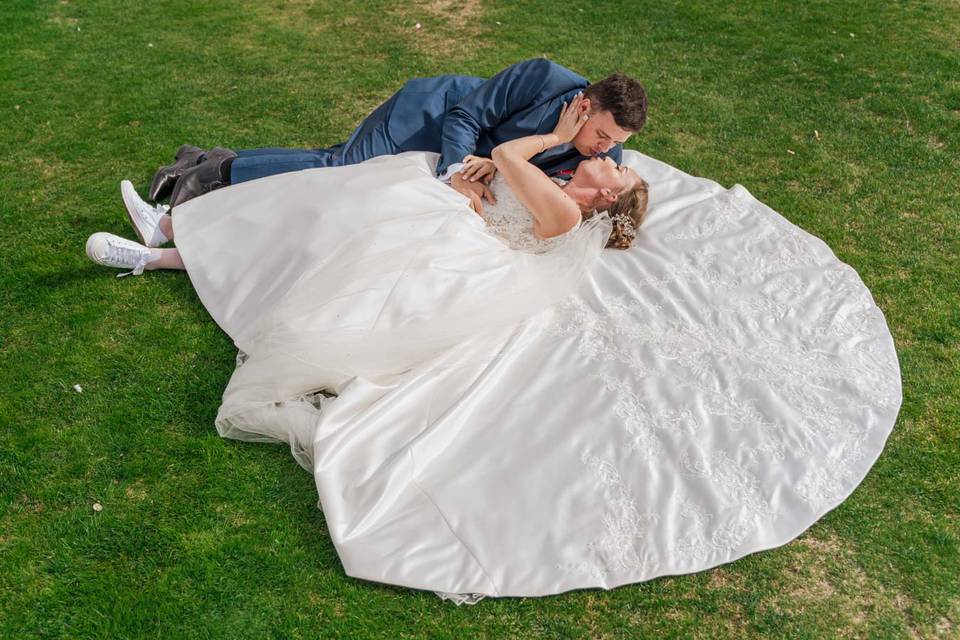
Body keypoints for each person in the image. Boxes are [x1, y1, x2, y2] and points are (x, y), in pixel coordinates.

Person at [82, 76, 900, 605]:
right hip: (468, 231)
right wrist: (480, 186)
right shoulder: (558, 180)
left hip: (471, 266)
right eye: (612, 151)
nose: (615, 160)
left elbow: (511, 172)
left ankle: (167, 245)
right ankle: (169, 238)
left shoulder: (569, 209)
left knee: (367, 213)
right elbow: (495, 190)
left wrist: (520, 155)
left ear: (612, 201)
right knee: (360, 196)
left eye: (618, 165)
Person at [148, 59, 648, 216]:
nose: (606, 148)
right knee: (339, 168)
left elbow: (558, 191)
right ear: (584, 105)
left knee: (329, 162)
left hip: (470, 151)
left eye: (614, 143)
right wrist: (458, 172)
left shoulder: (605, 150)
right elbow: (465, 118)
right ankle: (212, 173)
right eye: (602, 133)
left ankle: (208, 157)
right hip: (429, 116)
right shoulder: (543, 78)